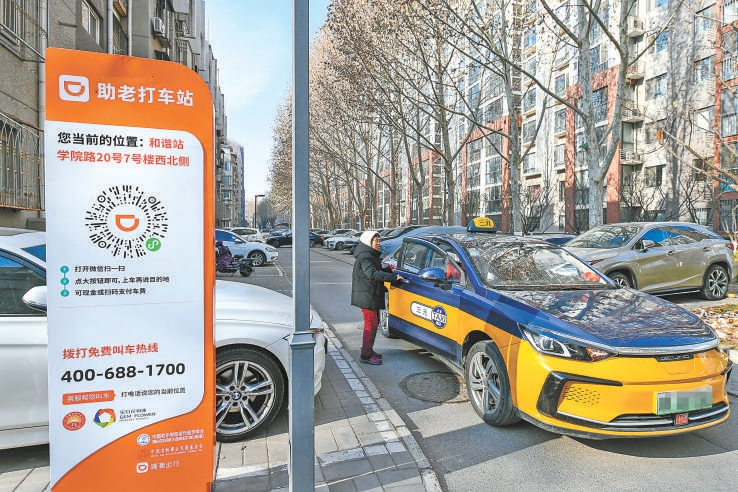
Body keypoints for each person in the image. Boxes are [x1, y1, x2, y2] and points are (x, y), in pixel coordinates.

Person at [351, 230, 403, 365]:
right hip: (367, 296)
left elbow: (375, 271)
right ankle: (366, 355)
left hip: (370, 294)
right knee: (371, 325)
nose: (379, 243)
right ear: (368, 242)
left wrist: (388, 270)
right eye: (376, 241)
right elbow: (373, 274)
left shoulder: (370, 255)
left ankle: (368, 350)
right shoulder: (365, 257)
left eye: (379, 240)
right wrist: (393, 277)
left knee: (374, 324)